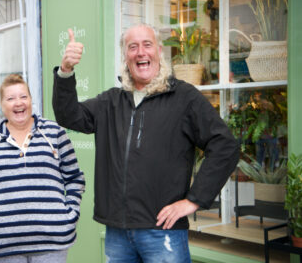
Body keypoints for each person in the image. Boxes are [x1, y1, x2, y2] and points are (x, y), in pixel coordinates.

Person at [52, 24, 240, 263]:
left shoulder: (184, 98)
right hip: (117, 232)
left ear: (159, 51)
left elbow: (225, 145)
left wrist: (194, 200)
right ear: (125, 56)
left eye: (147, 45)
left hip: (162, 233)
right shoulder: (111, 101)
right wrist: (66, 71)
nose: (141, 52)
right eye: (133, 47)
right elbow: (69, 116)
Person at [0, 74, 85, 262]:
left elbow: (74, 178)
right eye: (11, 98)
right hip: (5, 244)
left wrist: (69, 216)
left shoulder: (55, 133)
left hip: (52, 243)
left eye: (23, 96)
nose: (18, 103)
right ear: (1, 104)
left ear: (31, 100)